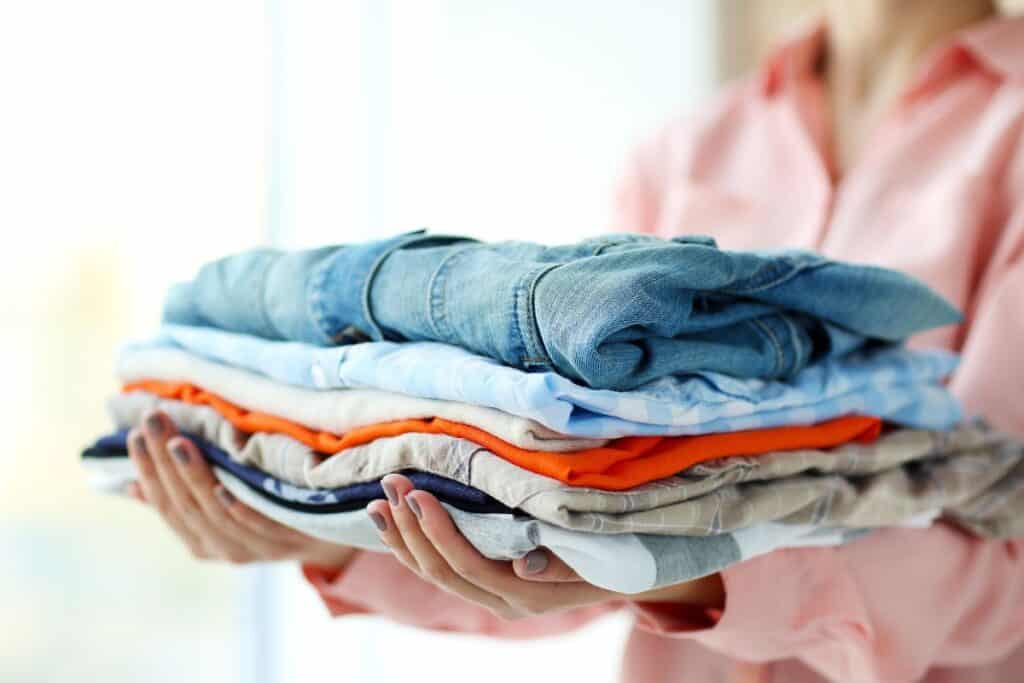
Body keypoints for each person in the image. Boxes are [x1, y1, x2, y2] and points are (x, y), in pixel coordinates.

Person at [125, 0, 1024, 680]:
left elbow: (1005, 562)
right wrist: (312, 522)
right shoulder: (687, 152)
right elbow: (567, 499)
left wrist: (664, 570)